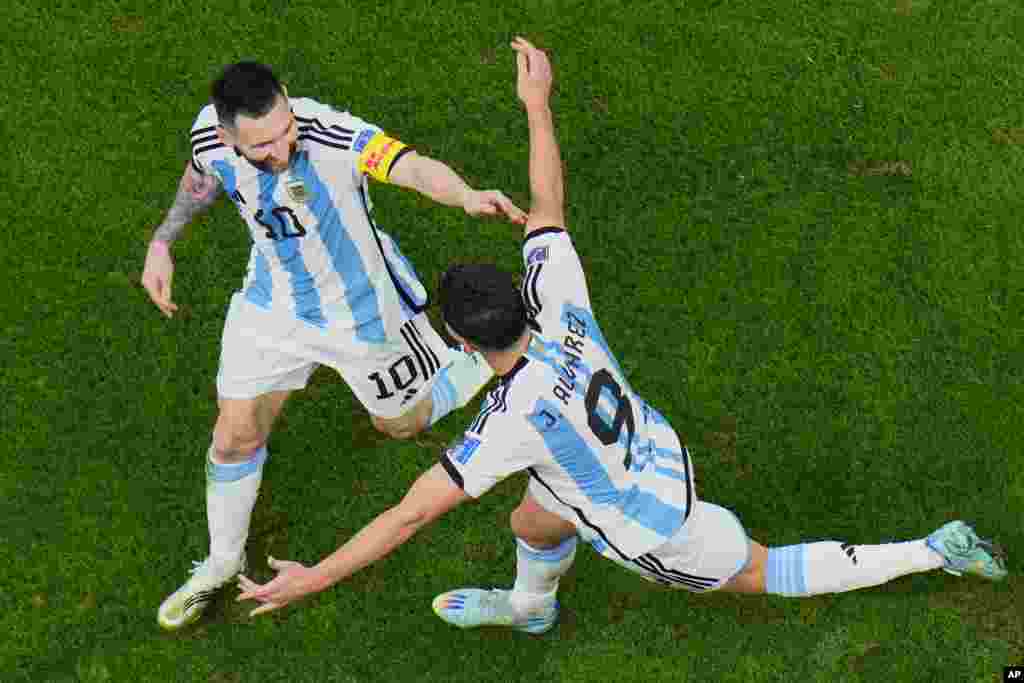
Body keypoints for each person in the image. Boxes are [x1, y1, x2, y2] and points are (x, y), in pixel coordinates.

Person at [235, 38, 1007, 627]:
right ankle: (531, 608)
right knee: (531, 514)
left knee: (762, 570)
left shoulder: (507, 426)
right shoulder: (559, 300)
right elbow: (547, 206)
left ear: (466, 347)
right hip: (635, 445)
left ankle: (932, 549)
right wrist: (537, 104)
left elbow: (408, 513)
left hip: (658, 522)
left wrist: (314, 578)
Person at [144, 60, 527, 630]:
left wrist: (465, 194)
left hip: (366, 315)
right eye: (262, 145)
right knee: (234, 436)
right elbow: (201, 178)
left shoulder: (329, 135)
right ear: (227, 134)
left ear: (288, 102)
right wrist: (162, 241)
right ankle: (222, 565)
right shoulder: (210, 135)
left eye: (284, 130)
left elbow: (410, 167)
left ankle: (468, 360)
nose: (280, 149)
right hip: (273, 304)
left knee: (401, 425)